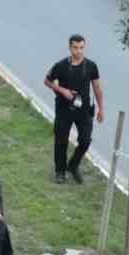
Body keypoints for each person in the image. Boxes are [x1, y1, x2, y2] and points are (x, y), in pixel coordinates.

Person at [45, 34, 103, 184]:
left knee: (85, 140)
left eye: (81, 48)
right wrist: (62, 90)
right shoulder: (61, 65)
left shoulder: (91, 66)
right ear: (70, 47)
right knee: (61, 140)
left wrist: (101, 108)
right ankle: (60, 171)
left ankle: (73, 164)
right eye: (75, 48)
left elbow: (97, 87)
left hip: (83, 110)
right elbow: (47, 81)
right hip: (64, 108)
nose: (78, 51)